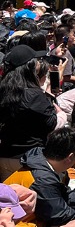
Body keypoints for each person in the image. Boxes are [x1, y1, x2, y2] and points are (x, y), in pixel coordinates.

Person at [0, 45, 56, 182]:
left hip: (4, 156)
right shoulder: (34, 95)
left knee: (8, 201)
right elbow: (51, 123)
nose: (39, 63)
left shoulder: (3, 90)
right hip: (27, 159)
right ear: (29, 67)